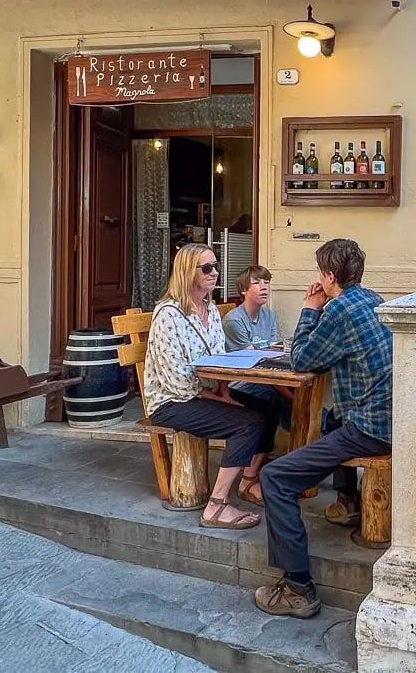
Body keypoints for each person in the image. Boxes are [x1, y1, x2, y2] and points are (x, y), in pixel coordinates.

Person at [253, 238, 393, 619]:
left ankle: (298, 587)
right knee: (330, 417)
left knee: (275, 477)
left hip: (372, 426)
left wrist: (309, 309)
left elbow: (301, 359)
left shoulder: (337, 311)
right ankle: (348, 503)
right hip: (392, 416)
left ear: (329, 276)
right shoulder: (374, 299)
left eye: (320, 273)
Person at [143, 244, 281, 530]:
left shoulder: (210, 309)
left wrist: (225, 392)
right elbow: (176, 380)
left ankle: (247, 481)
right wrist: (218, 398)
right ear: (186, 271)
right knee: (247, 422)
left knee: (268, 407)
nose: (215, 272)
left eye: (215, 266)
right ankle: (216, 506)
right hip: (171, 402)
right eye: (207, 268)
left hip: (202, 393)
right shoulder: (168, 314)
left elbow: (219, 360)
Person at [221, 265, 294, 503]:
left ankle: (295, 454)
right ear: (243, 289)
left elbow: (271, 352)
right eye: (256, 283)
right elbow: (252, 361)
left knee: (288, 399)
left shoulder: (269, 315)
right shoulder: (234, 320)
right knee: (275, 402)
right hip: (239, 384)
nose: (264, 287)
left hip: (263, 380)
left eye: (266, 282)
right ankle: (249, 477)